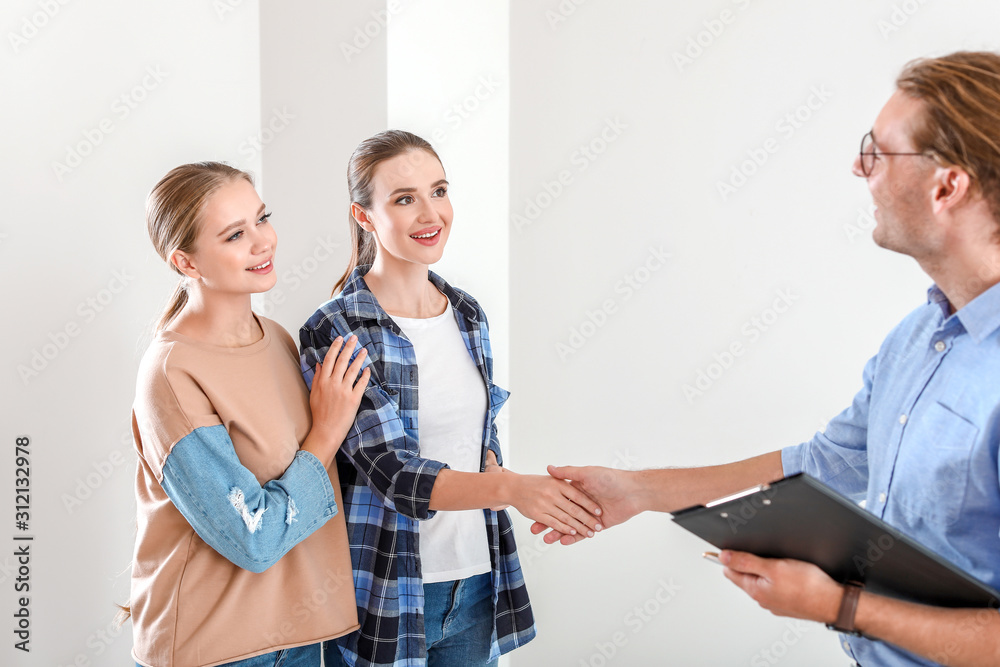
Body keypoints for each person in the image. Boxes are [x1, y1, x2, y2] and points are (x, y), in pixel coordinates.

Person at [534, 51, 1000, 667]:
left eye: (879, 152)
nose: (859, 168)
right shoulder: (917, 338)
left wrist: (843, 607)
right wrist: (638, 492)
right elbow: (828, 463)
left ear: (946, 185)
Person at [299, 130, 603, 667]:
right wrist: (510, 487)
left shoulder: (467, 314)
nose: (430, 213)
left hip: (478, 581)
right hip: (390, 593)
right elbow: (393, 473)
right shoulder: (338, 328)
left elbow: (477, 444)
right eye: (404, 198)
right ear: (364, 216)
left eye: (438, 191)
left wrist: (529, 489)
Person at [129, 162, 370, 667]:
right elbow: (253, 537)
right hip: (217, 652)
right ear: (187, 263)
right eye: (236, 234)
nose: (263, 242)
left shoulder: (278, 338)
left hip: (302, 639)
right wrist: (326, 433)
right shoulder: (171, 375)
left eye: (262, 218)